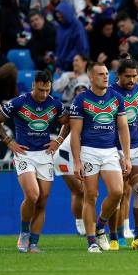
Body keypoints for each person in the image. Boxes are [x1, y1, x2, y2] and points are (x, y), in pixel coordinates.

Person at [0, 71, 68, 253]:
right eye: (41, 90)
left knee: (43, 200)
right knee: (32, 195)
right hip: (24, 154)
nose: (44, 94)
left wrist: (59, 140)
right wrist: (9, 142)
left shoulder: (54, 104)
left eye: (47, 90)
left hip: (45, 155)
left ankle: (33, 244)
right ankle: (23, 234)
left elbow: (68, 122)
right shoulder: (19, 102)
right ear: (33, 86)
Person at [69, 62, 131, 253]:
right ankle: (91, 242)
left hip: (110, 150)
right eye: (101, 74)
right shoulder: (81, 100)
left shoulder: (117, 98)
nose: (106, 77)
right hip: (88, 151)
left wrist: (127, 156)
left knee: (117, 192)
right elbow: (75, 134)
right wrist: (77, 161)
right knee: (91, 195)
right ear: (91, 77)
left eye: (106, 73)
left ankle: (100, 225)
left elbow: (123, 128)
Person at [109, 59, 138, 250]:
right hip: (112, 148)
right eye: (127, 76)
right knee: (117, 194)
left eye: (135, 75)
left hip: (136, 146)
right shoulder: (109, 93)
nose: (132, 79)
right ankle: (114, 236)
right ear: (118, 75)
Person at [53, 82, 89, 236]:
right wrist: (58, 141)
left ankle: (83, 224)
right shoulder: (75, 112)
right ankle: (80, 224)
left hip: (76, 156)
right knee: (79, 190)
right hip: (63, 157)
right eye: (78, 91)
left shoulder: (92, 112)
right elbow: (66, 126)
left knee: (82, 191)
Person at [53, 1, 90, 71]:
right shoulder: (60, 27)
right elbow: (58, 46)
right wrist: (57, 63)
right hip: (62, 65)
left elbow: (81, 47)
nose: (60, 19)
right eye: (58, 18)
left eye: (61, 17)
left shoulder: (77, 26)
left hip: (75, 64)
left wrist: (67, 60)